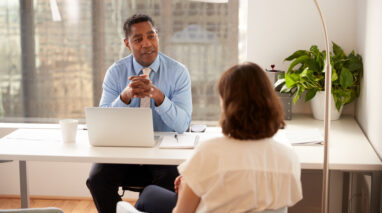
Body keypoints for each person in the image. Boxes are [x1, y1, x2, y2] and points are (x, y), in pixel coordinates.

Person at [134, 62, 303, 213]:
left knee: (149, 194)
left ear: (228, 104)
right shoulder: (289, 158)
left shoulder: (210, 152)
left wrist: (189, 185)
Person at [86, 14, 192, 213]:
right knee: (97, 180)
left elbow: (182, 125)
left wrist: (160, 98)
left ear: (157, 36)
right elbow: (103, 122)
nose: (146, 44)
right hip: (123, 151)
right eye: (138, 39)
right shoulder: (115, 72)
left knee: (169, 181)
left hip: (162, 154)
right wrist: (125, 96)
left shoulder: (178, 72)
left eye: (151, 36)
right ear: (127, 43)